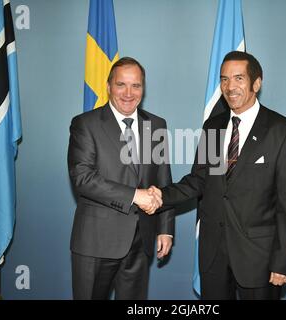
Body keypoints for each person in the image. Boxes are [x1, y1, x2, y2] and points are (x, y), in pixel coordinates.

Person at [149, 51, 286, 300]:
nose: (230, 86)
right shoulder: (213, 126)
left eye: (239, 78)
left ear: (257, 83)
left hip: (259, 259)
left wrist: (283, 262)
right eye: (224, 79)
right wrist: (160, 196)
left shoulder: (284, 132)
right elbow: (199, 180)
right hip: (213, 256)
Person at [68, 57, 175, 300]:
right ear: (108, 87)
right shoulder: (85, 124)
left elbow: (163, 179)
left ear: (143, 88)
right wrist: (135, 196)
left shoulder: (156, 125)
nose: (129, 93)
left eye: (136, 86)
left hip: (141, 242)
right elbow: (83, 178)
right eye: (121, 85)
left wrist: (166, 229)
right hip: (96, 242)